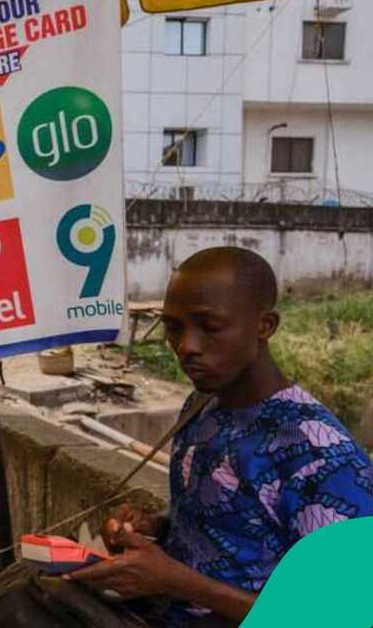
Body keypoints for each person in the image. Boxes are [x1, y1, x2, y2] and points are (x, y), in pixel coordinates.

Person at [68, 247, 373, 627]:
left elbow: (340, 614)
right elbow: (227, 520)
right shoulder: (201, 406)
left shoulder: (323, 457)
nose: (186, 347)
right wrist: (154, 527)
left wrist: (178, 582)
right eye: (173, 327)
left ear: (264, 326)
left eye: (210, 327)